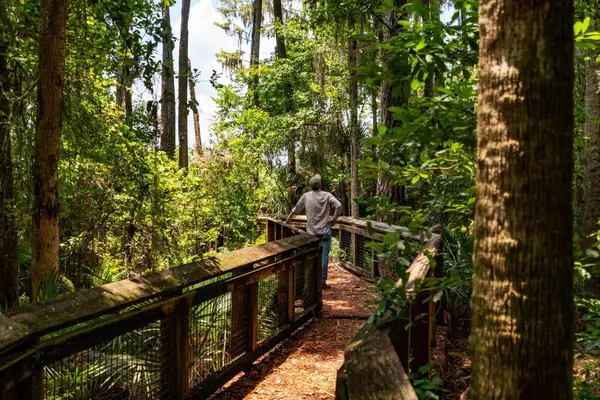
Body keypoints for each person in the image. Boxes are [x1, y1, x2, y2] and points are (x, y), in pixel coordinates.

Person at [285, 174, 342, 288]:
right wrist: (334, 219)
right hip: (325, 231)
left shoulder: (306, 196)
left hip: (311, 233)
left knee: (310, 256)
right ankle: (321, 281)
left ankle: (310, 281)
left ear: (310, 187)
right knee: (324, 256)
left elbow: (295, 209)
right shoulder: (327, 195)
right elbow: (339, 205)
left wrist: (287, 221)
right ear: (320, 185)